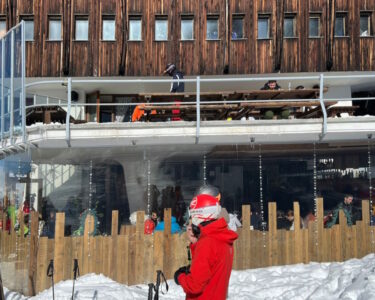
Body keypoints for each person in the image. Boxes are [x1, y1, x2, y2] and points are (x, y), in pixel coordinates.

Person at [174, 194, 238, 299]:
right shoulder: (222, 237)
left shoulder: (207, 243)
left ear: (198, 214)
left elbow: (194, 286)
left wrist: (179, 276)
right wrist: (196, 243)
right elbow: (211, 268)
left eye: (192, 214)